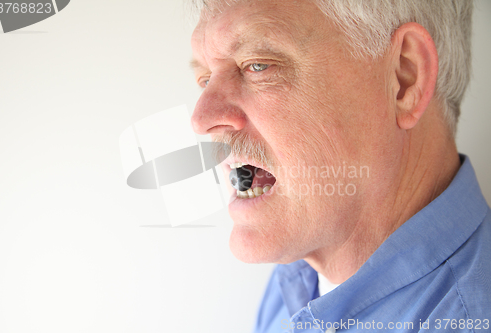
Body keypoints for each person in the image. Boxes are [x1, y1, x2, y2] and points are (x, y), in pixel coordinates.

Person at [189, 0, 490, 332]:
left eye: (258, 65)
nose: (201, 119)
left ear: (404, 78)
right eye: (205, 80)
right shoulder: (294, 283)